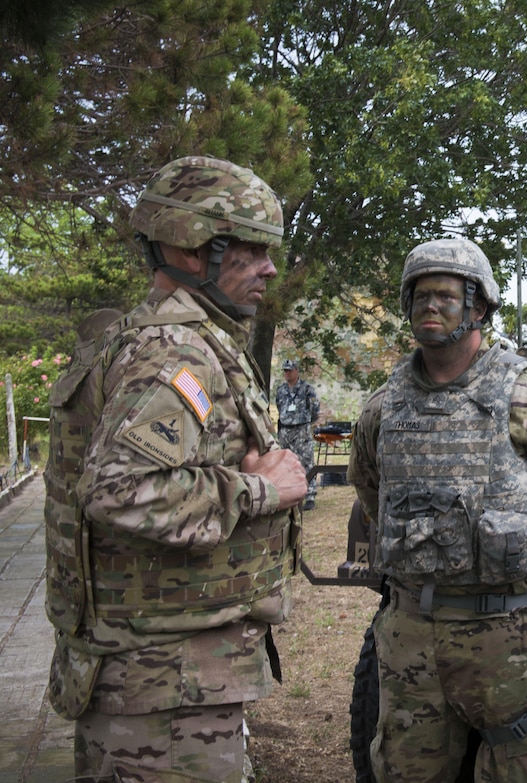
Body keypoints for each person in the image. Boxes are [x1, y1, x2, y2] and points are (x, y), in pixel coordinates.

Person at [42, 156, 308, 783]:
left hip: (167, 678)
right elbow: (120, 489)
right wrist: (262, 488)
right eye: (251, 249)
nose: (270, 268)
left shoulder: (177, 339)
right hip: (163, 688)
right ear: (195, 252)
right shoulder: (174, 352)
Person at [347, 238, 527, 783]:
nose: (429, 306)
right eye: (419, 295)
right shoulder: (383, 406)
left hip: (507, 631)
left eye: (445, 295)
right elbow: (370, 489)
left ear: (479, 307)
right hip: (411, 633)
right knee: (404, 769)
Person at [275, 358, 321, 509]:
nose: (287, 374)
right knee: (286, 463)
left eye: (290, 370)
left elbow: (315, 410)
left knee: (306, 461)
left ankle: (310, 495)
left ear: (296, 371)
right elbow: (279, 406)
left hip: (301, 429)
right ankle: (290, 493)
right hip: (285, 430)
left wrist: (306, 422)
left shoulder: (307, 389)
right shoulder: (281, 390)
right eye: (285, 371)